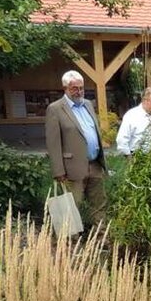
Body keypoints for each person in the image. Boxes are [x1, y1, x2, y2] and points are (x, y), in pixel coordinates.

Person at [45, 70, 107, 226]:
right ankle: (68, 243)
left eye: (81, 88)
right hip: (72, 168)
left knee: (99, 205)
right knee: (71, 206)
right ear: (65, 88)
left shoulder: (88, 105)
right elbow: (53, 143)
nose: (79, 92)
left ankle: (100, 239)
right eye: (74, 88)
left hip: (94, 164)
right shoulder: (55, 109)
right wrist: (58, 171)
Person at [115, 87, 151, 156]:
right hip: (136, 157)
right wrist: (129, 158)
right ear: (144, 100)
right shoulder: (131, 115)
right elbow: (122, 139)